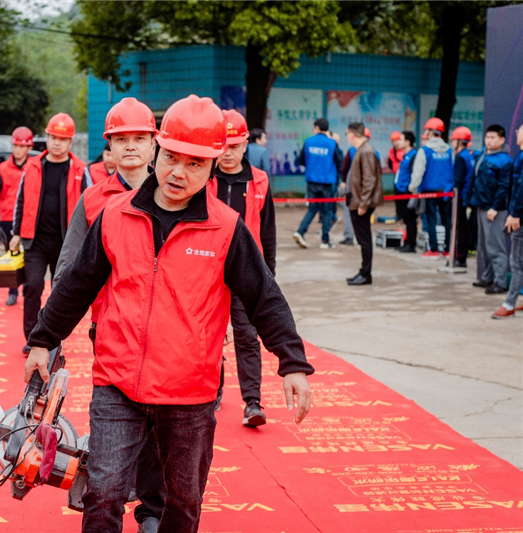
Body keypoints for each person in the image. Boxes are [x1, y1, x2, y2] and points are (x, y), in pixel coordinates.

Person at [23, 95, 313, 533]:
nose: (179, 172)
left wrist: (291, 361)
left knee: (183, 502)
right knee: (102, 494)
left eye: (195, 164)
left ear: (213, 165)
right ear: (159, 150)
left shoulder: (227, 228)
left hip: (190, 391)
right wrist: (43, 339)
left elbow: (263, 296)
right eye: (172, 158)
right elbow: (77, 284)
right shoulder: (115, 215)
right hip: (118, 381)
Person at [53, 97, 162, 533]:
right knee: (114, 434)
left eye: (140, 139)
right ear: (109, 149)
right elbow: (68, 271)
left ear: (154, 145)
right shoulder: (94, 200)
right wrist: (50, 332)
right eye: (122, 140)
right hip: (112, 333)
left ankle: (153, 513)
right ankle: (108, 506)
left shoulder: (179, 192)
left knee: (160, 435)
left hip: (170, 338)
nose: (131, 147)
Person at [211, 109, 275, 428]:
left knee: (247, 336)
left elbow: (268, 230)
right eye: (223, 146)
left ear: (246, 144)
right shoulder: (205, 176)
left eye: (234, 146)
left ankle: (252, 402)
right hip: (207, 269)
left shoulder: (259, 179)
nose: (228, 153)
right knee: (208, 334)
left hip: (247, 271)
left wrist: (269, 276)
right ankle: (213, 391)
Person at [9, 112, 89, 353]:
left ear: (70, 142)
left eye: (62, 139)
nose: (57, 143)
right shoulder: (33, 166)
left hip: (66, 242)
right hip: (35, 240)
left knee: (60, 291)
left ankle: (53, 337)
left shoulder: (79, 169)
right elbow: (20, 200)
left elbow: (90, 204)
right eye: (53, 137)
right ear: (47, 138)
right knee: (32, 286)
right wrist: (15, 232)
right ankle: (32, 337)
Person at [0, 126, 33, 306]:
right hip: (7, 219)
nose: (18, 150)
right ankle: (13, 291)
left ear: (29, 148)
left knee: (30, 257)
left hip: (29, 220)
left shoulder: (34, 167)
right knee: (11, 255)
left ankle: (30, 290)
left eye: (22, 146)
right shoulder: (3, 168)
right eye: (16, 146)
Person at [468, 124, 513, 295]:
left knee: (495, 246)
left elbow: (504, 187)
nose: (489, 140)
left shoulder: (505, 160)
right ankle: (487, 277)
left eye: (493, 138)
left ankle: (500, 282)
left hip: (495, 210)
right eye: (487, 137)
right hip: (481, 206)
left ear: (502, 140)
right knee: (484, 246)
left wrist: (495, 207)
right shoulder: (484, 155)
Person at [409, 117, 454, 259]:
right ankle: (447, 249)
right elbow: (452, 170)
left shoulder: (425, 151)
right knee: (446, 220)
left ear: (430, 132)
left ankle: (434, 250)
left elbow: (418, 173)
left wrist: (413, 189)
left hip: (429, 192)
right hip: (446, 192)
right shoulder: (449, 150)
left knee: (431, 220)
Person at [293, 118, 341, 249]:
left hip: (312, 181)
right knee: (327, 211)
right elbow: (339, 161)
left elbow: (301, 160)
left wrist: (313, 164)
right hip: (327, 182)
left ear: (317, 128)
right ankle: (325, 241)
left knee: (312, 208)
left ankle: (300, 232)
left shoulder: (309, 141)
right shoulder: (332, 143)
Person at [345, 122, 383, 286]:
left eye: (347, 133)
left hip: (361, 203)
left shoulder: (366, 150)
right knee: (362, 239)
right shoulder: (362, 150)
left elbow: (369, 180)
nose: (347, 137)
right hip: (358, 200)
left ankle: (366, 274)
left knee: (364, 239)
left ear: (352, 133)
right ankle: (363, 271)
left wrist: (363, 204)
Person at [492, 122, 523, 318]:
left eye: (520, 129)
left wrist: (515, 213)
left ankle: (509, 303)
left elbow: (521, 189)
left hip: (519, 216)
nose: (517, 131)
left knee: (517, 262)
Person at [450, 126, 476, 268]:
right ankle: (461, 257)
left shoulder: (461, 157)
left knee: (460, 228)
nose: (452, 142)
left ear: (460, 141)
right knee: (463, 228)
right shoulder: (468, 155)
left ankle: (460, 258)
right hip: (466, 197)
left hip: (460, 198)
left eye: (454, 140)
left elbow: (458, 180)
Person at [393, 131, 418, 253]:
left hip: (407, 193)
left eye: (401, 139)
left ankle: (411, 244)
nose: (399, 142)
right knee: (406, 219)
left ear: (408, 142)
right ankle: (407, 242)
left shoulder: (414, 155)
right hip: (401, 192)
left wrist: (409, 190)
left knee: (410, 219)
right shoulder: (406, 155)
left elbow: (414, 175)